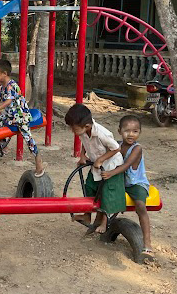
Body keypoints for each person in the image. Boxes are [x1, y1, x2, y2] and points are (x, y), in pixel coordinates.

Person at [65, 103, 125, 234]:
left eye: (73, 129)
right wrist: (82, 156)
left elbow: (116, 148)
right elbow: (85, 142)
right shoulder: (83, 131)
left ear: (86, 126)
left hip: (110, 168)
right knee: (89, 187)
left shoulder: (102, 133)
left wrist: (100, 159)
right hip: (96, 166)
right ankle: (87, 215)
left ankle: (105, 222)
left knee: (106, 194)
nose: (72, 131)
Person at [101, 115, 153, 259]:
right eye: (127, 131)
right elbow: (103, 152)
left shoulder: (137, 148)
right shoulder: (116, 146)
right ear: (119, 131)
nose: (131, 134)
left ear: (139, 132)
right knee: (108, 196)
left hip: (137, 183)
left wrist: (111, 173)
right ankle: (103, 225)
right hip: (121, 182)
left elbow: (126, 165)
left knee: (140, 206)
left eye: (135, 131)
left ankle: (147, 243)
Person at [0, 59, 44, 177]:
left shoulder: (12, 85)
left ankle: (38, 161)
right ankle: (3, 146)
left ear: (4, 74)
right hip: (11, 115)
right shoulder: (3, 86)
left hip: (21, 116)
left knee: (28, 138)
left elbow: (8, 101)